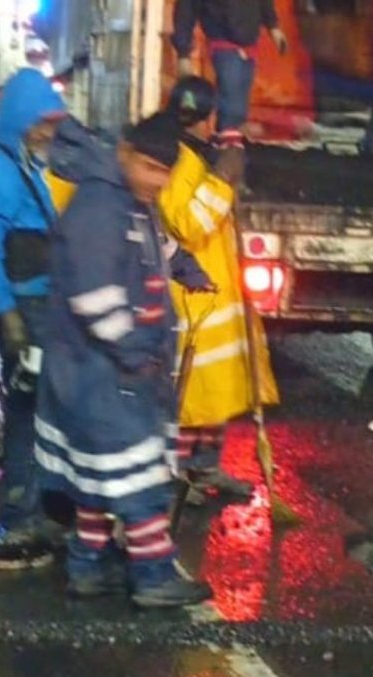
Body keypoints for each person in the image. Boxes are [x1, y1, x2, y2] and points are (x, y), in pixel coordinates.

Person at [33, 112, 217, 608]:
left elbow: (151, 243)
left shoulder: (129, 201)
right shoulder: (99, 208)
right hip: (101, 373)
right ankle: (153, 576)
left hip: (104, 373)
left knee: (98, 478)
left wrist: (185, 266)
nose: (159, 183)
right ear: (126, 155)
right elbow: (95, 296)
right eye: (152, 170)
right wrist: (135, 350)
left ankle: (88, 567)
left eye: (166, 173)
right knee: (140, 481)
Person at [0, 68, 67, 570]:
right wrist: (10, 319)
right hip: (23, 312)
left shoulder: (21, 160)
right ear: (22, 118)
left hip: (37, 306)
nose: (49, 131)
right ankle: (20, 516)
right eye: (43, 122)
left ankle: (34, 508)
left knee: (40, 408)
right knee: (27, 409)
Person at [157, 76, 280, 504]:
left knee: (215, 391)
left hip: (212, 293)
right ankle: (180, 475)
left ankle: (205, 468)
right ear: (209, 118)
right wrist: (222, 181)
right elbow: (187, 225)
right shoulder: (176, 159)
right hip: (193, 295)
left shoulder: (193, 156)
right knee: (193, 394)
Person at [172, 0, 289, 183]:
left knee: (237, 111)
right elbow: (186, 9)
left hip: (248, 45)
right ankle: (225, 170)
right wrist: (183, 53)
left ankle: (226, 164)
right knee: (233, 110)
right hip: (224, 43)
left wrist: (273, 27)